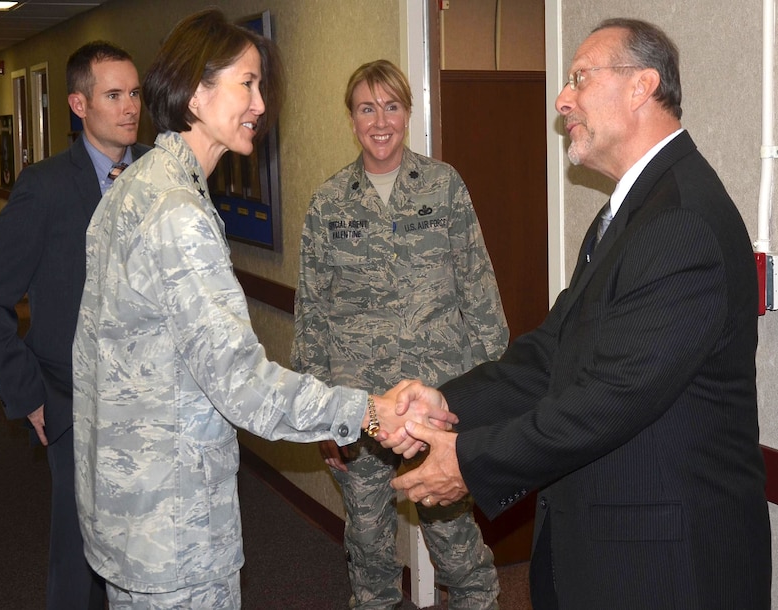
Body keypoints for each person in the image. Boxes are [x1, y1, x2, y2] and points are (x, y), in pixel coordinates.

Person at [383, 18, 772, 610]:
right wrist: (447, 403)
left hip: (666, 567)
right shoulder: (634, 209)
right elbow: (551, 353)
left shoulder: (682, 220)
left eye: (580, 78)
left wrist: (469, 460)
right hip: (609, 548)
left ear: (642, 86)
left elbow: (613, 397)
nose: (562, 99)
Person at [71, 11, 455, 609]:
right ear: (198, 92)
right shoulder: (177, 214)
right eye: (246, 83)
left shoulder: (133, 184)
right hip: (175, 530)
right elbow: (243, 387)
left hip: (127, 509)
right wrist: (370, 414)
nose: (259, 102)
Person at [291, 59, 506, 609]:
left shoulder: (443, 186)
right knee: (369, 558)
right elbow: (312, 313)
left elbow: (479, 292)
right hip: (359, 413)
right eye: (367, 108)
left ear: (408, 113)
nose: (380, 121)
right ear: (352, 118)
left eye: (391, 106)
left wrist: (494, 396)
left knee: (460, 554)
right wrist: (319, 414)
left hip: (438, 408)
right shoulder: (328, 202)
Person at [0, 41, 147, 610]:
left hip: (151, 408)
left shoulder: (161, 182)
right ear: (78, 104)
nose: (130, 107)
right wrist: (30, 396)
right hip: (74, 404)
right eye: (113, 95)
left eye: (135, 93)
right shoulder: (45, 187)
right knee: (80, 564)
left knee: (147, 557)